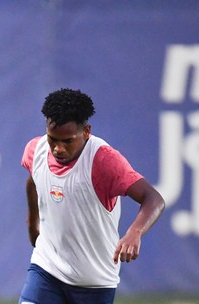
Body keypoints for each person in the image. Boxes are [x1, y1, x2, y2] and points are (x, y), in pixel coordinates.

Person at [18, 88, 165, 304]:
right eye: (53, 139)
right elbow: (34, 181)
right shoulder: (36, 150)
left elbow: (154, 199)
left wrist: (135, 232)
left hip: (95, 281)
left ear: (86, 131)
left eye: (67, 141)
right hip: (47, 269)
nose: (58, 148)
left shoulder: (104, 161)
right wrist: (33, 221)